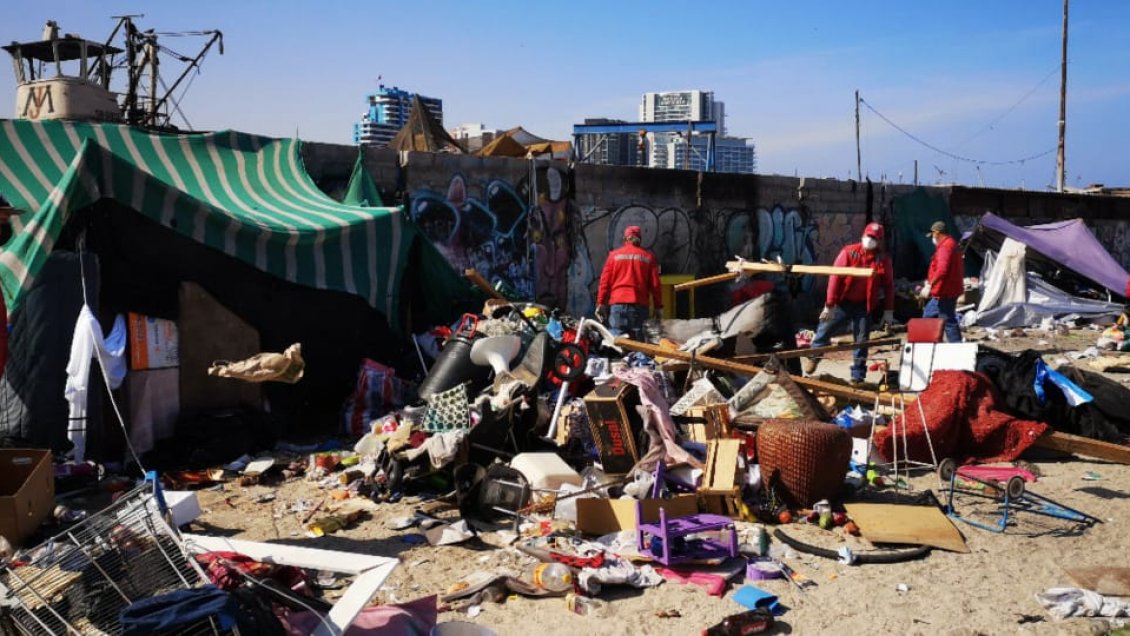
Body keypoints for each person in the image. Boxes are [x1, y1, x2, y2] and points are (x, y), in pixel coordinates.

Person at [803, 222, 895, 384]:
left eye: (874, 238)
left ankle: (857, 376)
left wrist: (888, 311)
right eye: (868, 236)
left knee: (861, 341)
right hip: (842, 303)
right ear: (863, 235)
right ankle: (814, 357)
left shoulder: (882, 260)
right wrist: (830, 304)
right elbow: (835, 277)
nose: (870, 240)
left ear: (879, 240)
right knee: (824, 331)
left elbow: (888, 286)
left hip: (864, 306)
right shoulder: (849, 252)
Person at [595, 225, 662, 341]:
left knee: (617, 346)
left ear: (625, 239)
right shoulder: (648, 258)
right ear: (639, 239)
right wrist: (658, 307)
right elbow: (655, 285)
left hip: (617, 307)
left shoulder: (613, 256)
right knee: (639, 347)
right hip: (639, 308)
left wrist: (601, 303)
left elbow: (604, 282)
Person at [921, 220, 964, 342]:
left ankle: (956, 347)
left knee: (947, 320)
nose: (932, 238)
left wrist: (929, 285)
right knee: (930, 316)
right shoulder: (952, 244)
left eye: (933, 235)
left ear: (937, 233)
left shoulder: (945, 247)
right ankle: (935, 343)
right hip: (947, 290)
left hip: (945, 291)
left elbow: (942, 270)